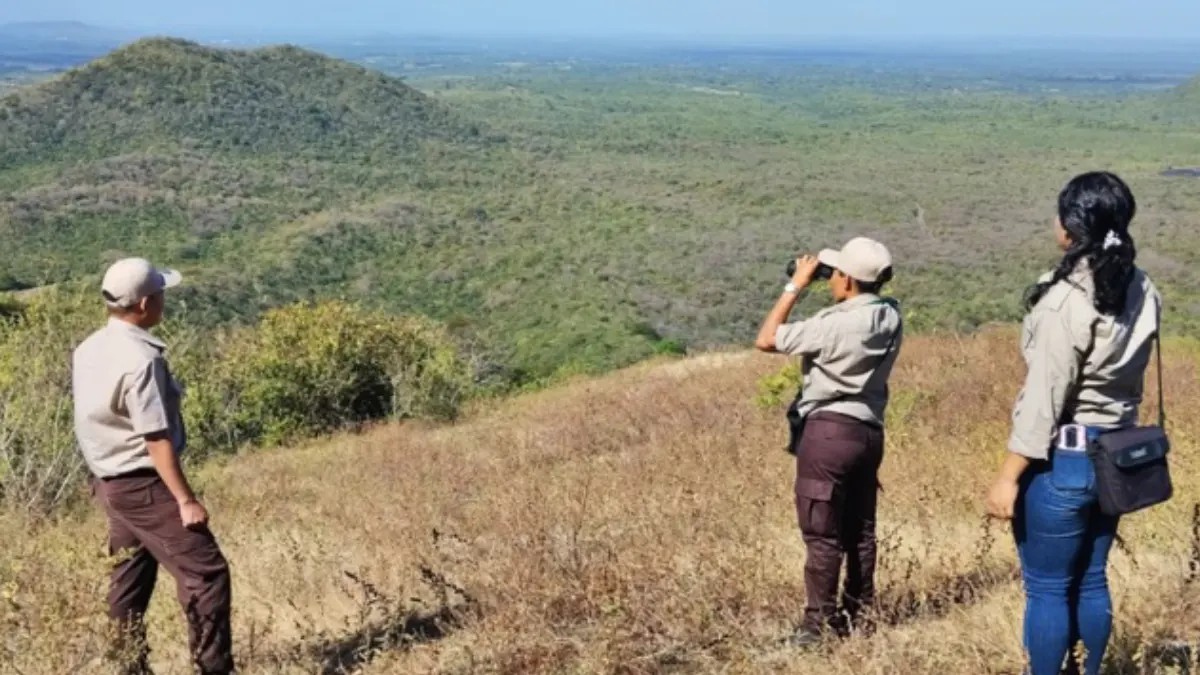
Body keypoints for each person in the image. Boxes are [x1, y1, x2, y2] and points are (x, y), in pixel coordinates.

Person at [986, 171, 1161, 675]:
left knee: (1047, 587)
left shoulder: (1066, 300)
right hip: (1117, 455)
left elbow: (1045, 398)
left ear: (1071, 228)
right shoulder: (1141, 286)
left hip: (1066, 458)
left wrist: (1008, 476)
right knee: (1091, 579)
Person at [72, 258, 234, 675]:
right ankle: (213, 668)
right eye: (160, 295)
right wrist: (185, 500)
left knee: (129, 578)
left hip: (109, 482)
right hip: (143, 484)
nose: (164, 301)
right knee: (206, 572)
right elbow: (155, 437)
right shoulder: (142, 359)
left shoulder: (89, 348)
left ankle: (128, 668)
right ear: (144, 304)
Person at [755, 236, 903, 647]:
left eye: (835, 274)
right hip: (869, 432)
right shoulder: (890, 316)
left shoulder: (834, 323)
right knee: (860, 531)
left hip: (828, 433)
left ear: (848, 281)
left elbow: (767, 338)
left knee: (823, 533)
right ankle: (860, 615)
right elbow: (867, 303)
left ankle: (816, 625)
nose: (830, 280)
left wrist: (795, 286)